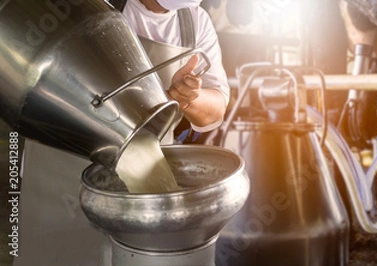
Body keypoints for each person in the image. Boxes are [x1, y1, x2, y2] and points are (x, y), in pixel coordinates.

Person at [14, 1, 229, 265]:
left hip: (143, 196)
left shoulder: (194, 22)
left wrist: (191, 97)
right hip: (64, 177)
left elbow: (216, 111)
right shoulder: (93, 5)